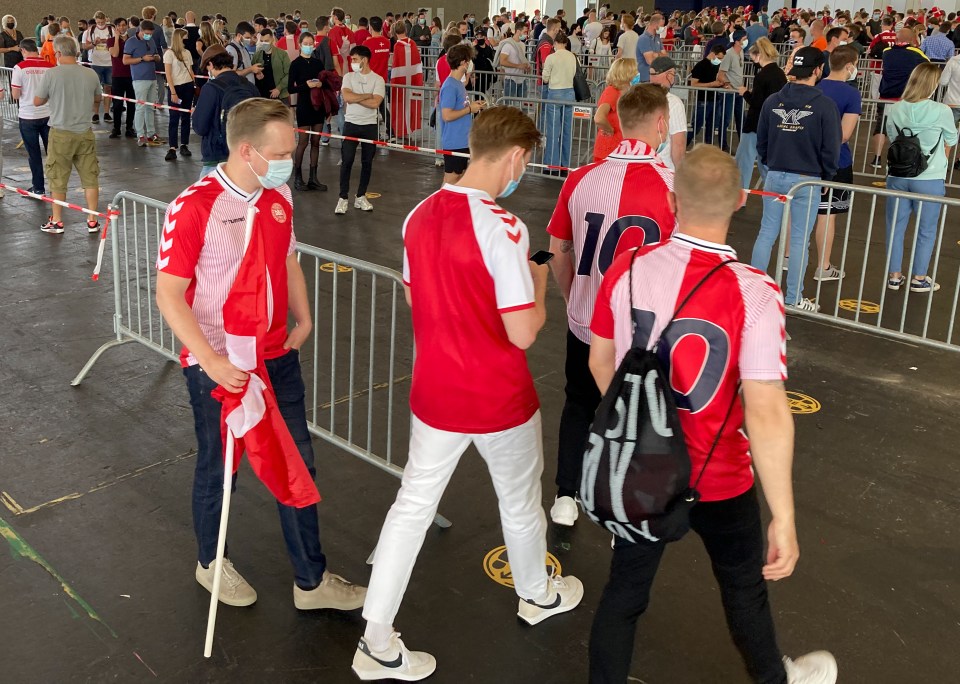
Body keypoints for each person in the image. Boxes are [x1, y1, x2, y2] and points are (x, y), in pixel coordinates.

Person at [587, 143, 839, 684]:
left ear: (673, 199)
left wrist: (638, 425)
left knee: (624, 594)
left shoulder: (627, 268)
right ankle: (775, 678)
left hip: (643, 472)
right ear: (742, 201)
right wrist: (786, 516)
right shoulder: (755, 293)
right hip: (720, 478)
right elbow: (767, 413)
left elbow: (600, 360)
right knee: (744, 592)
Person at [351, 105, 583, 682]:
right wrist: (538, 282)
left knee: (411, 506)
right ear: (516, 157)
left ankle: (376, 639)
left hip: (435, 390)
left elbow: (414, 300)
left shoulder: (418, 215)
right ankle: (536, 593)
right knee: (520, 503)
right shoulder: (503, 227)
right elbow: (523, 331)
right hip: (497, 394)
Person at [155, 97, 367, 616]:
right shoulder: (195, 206)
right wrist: (211, 361)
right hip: (219, 363)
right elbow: (168, 293)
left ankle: (310, 581)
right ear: (247, 150)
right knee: (219, 466)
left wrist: (305, 317)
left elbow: (288, 256)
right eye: (282, 151)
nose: (289, 159)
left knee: (298, 461)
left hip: (276, 356)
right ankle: (211, 561)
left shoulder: (279, 195)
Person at [546, 84, 677, 527]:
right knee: (640, 415)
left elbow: (557, 250)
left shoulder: (581, 177)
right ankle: (627, 505)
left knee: (578, 400)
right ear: (661, 123)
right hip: (645, 332)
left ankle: (566, 495)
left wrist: (572, 298)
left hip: (585, 322)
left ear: (618, 118)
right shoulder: (672, 186)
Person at [753, 47, 841, 312]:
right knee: (800, 239)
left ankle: (753, 290)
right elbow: (831, 148)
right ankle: (793, 297)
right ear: (817, 70)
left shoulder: (772, 102)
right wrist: (828, 176)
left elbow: (762, 142)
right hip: (807, 180)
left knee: (767, 233)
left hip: (775, 175)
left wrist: (770, 165)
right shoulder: (825, 106)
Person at [884, 63, 958, 294]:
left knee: (894, 227)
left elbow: (892, 137)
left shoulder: (895, 108)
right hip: (930, 177)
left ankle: (894, 276)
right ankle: (919, 277)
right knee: (926, 229)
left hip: (897, 175)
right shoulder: (942, 111)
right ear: (932, 84)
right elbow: (952, 140)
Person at [34, 35, 102, 235]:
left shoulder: (51, 74)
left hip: (60, 133)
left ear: (58, 53)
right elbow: (98, 97)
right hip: (85, 132)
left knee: (58, 177)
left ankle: (57, 221)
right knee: (90, 177)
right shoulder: (90, 74)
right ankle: (92, 219)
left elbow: (38, 101)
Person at [813, 46, 862, 283]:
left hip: (809, 159)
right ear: (850, 66)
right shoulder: (851, 94)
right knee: (828, 214)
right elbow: (844, 134)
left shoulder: (816, 86)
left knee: (800, 212)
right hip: (836, 161)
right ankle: (823, 265)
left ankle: (788, 259)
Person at [192, 47, 258, 178]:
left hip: (217, 157)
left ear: (211, 64)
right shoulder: (250, 86)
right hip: (247, 154)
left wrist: (195, 114)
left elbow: (200, 128)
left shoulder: (211, 88)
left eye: (207, 67)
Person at [336, 45, 384, 215]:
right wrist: (366, 95)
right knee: (347, 160)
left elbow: (375, 103)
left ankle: (361, 196)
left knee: (367, 162)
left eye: (355, 59)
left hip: (370, 126)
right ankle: (343, 198)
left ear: (364, 60)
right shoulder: (348, 77)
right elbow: (347, 97)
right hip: (351, 124)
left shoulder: (378, 80)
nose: (352, 62)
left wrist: (356, 98)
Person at [870, 28, 928, 169]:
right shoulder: (916, 53)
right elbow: (927, 65)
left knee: (881, 127)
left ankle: (877, 158)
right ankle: (898, 158)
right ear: (913, 40)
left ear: (896, 39)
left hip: (885, 95)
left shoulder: (887, 52)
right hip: (905, 97)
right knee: (903, 129)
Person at [736, 38, 787, 189]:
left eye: (752, 56)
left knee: (744, 161)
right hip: (772, 124)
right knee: (766, 163)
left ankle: (740, 196)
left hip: (755, 123)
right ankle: (772, 193)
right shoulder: (779, 74)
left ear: (758, 55)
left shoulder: (762, 76)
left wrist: (745, 93)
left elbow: (757, 102)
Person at [439, 43, 485, 185]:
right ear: (463, 62)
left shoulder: (458, 84)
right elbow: (446, 115)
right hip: (454, 142)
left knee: (459, 180)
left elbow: (460, 108)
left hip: (462, 140)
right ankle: (438, 207)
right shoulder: (450, 86)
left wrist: (473, 106)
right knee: (451, 182)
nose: (470, 63)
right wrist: (469, 109)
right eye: (469, 60)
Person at [11, 38, 51, 195]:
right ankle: (57, 187)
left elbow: (15, 94)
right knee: (52, 153)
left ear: (23, 50)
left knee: (34, 154)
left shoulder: (19, 68)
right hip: (48, 114)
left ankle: (39, 188)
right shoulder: (50, 67)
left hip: (28, 116)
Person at [288, 33, 328, 192]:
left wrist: (320, 84)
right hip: (304, 105)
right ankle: (298, 176)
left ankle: (313, 177)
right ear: (300, 44)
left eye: (311, 43)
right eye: (306, 43)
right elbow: (291, 88)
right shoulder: (295, 64)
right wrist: (307, 86)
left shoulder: (318, 63)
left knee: (316, 142)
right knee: (303, 141)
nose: (309, 45)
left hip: (318, 106)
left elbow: (325, 81)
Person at [123, 20, 163, 147]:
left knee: (150, 107)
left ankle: (151, 132)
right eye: (146, 33)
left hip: (152, 77)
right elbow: (125, 60)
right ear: (140, 31)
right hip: (139, 78)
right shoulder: (131, 42)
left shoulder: (151, 41)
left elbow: (157, 54)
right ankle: (140, 134)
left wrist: (156, 57)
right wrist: (142, 59)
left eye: (150, 34)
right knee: (140, 107)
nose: (149, 36)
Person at [542, 31, 578, 173]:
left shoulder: (551, 57)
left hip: (555, 93)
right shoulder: (573, 57)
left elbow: (545, 78)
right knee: (567, 130)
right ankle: (565, 163)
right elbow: (575, 74)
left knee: (553, 130)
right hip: (569, 93)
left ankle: (552, 164)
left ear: (555, 43)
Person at [593, 58, 638, 162]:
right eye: (635, 71)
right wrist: (610, 129)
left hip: (623, 148)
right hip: (609, 150)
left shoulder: (628, 93)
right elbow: (599, 117)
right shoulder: (612, 91)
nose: (637, 74)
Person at [647, 56, 687, 171]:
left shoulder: (638, 97)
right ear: (669, 75)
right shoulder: (674, 103)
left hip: (638, 166)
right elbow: (678, 145)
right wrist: (681, 175)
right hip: (664, 168)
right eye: (673, 74)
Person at [162, 28, 196, 162]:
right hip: (176, 87)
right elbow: (168, 74)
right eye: (184, 37)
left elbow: (191, 70)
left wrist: (194, 84)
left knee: (186, 117)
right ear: (179, 38)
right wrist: (173, 92)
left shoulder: (187, 52)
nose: (186, 40)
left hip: (188, 86)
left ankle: (184, 144)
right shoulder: (169, 54)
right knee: (174, 118)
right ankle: (172, 147)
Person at [687, 44, 727, 147]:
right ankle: (684, 145)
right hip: (703, 100)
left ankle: (708, 148)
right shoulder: (700, 66)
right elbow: (693, 84)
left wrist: (722, 84)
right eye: (719, 58)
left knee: (711, 126)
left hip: (715, 99)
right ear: (713, 54)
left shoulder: (717, 66)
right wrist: (712, 84)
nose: (720, 61)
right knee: (696, 125)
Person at [390, 21, 424, 140]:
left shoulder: (397, 46)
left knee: (400, 106)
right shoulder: (413, 43)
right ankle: (410, 128)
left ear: (395, 32)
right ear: (405, 30)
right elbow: (417, 62)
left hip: (400, 81)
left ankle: (401, 130)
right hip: (413, 80)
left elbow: (395, 65)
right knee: (410, 105)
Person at [716, 28, 747, 152]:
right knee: (726, 119)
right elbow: (720, 74)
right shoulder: (729, 54)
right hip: (729, 93)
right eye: (744, 39)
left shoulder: (741, 52)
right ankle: (723, 145)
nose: (746, 41)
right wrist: (728, 84)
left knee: (741, 120)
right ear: (737, 41)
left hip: (738, 92)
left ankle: (743, 144)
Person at [83, 12, 114, 124]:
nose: (101, 24)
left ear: (106, 20)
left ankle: (106, 113)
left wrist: (108, 42)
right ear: (95, 21)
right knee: (96, 89)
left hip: (109, 63)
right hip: (96, 63)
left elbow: (116, 44)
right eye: (98, 22)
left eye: (103, 22)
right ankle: (95, 113)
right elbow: (85, 47)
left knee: (108, 88)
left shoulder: (111, 30)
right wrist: (94, 43)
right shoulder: (89, 31)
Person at [107, 18, 135, 140]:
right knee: (117, 104)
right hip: (117, 76)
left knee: (131, 103)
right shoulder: (111, 40)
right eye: (119, 25)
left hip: (131, 75)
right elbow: (115, 54)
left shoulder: (133, 40)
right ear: (116, 27)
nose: (122, 27)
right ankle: (116, 128)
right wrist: (117, 38)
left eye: (124, 25)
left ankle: (129, 128)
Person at [364, 17, 392, 133]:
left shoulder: (367, 43)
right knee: (381, 106)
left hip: (371, 80)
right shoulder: (387, 42)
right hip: (383, 79)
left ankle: (375, 134)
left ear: (370, 27)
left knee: (373, 108)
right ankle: (390, 130)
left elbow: (364, 61)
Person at [252, 28, 291, 104]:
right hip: (262, 96)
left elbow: (289, 73)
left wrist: (279, 88)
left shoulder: (282, 54)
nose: (264, 43)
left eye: (266, 41)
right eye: (262, 41)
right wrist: (256, 74)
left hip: (280, 95)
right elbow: (251, 70)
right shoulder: (257, 55)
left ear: (272, 39)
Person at [498, 25, 531, 98]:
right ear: (518, 31)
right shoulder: (507, 45)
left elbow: (522, 59)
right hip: (511, 79)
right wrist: (518, 66)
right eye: (525, 32)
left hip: (522, 78)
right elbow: (502, 61)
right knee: (508, 104)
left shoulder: (522, 45)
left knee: (522, 103)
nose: (526, 34)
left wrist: (526, 67)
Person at [635, 12, 665, 82]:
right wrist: (659, 54)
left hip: (656, 77)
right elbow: (650, 60)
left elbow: (665, 56)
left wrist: (655, 54)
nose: (663, 28)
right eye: (662, 26)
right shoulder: (644, 38)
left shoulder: (657, 38)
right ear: (655, 25)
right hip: (645, 78)